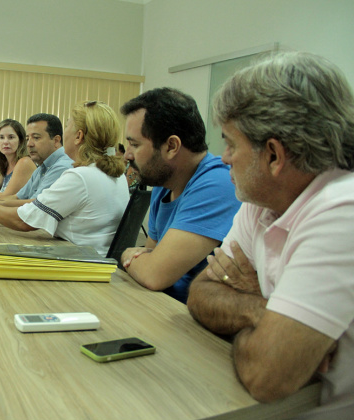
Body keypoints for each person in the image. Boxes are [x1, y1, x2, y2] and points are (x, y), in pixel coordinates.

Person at [187, 52, 354, 418]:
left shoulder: (343, 210)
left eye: (231, 143)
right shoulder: (261, 200)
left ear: (274, 155)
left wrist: (260, 324)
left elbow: (267, 375)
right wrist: (263, 309)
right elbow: (199, 293)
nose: (223, 157)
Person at [0, 101, 129, 256]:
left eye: (67, 126)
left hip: (81, 260)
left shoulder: (80, 177)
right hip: (99, 260)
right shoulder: (115, 174)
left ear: (78, 136)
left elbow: (24, 221)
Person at [120, 88, 240, 303]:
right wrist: (144, 260)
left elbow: (153, 274)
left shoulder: (218, 184)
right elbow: (148, 257)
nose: (127, 154)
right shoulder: (163, 184)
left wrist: (128, 255)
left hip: (193, 323)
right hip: (162, 307)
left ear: (172, 146)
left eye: (135, 144)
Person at [0, 119, 36, 196]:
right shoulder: (5, 164)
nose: (5, 142)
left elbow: (6, 196)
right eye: (1, 137)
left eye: (11, 137)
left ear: (20, 141)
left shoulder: (25, 162)